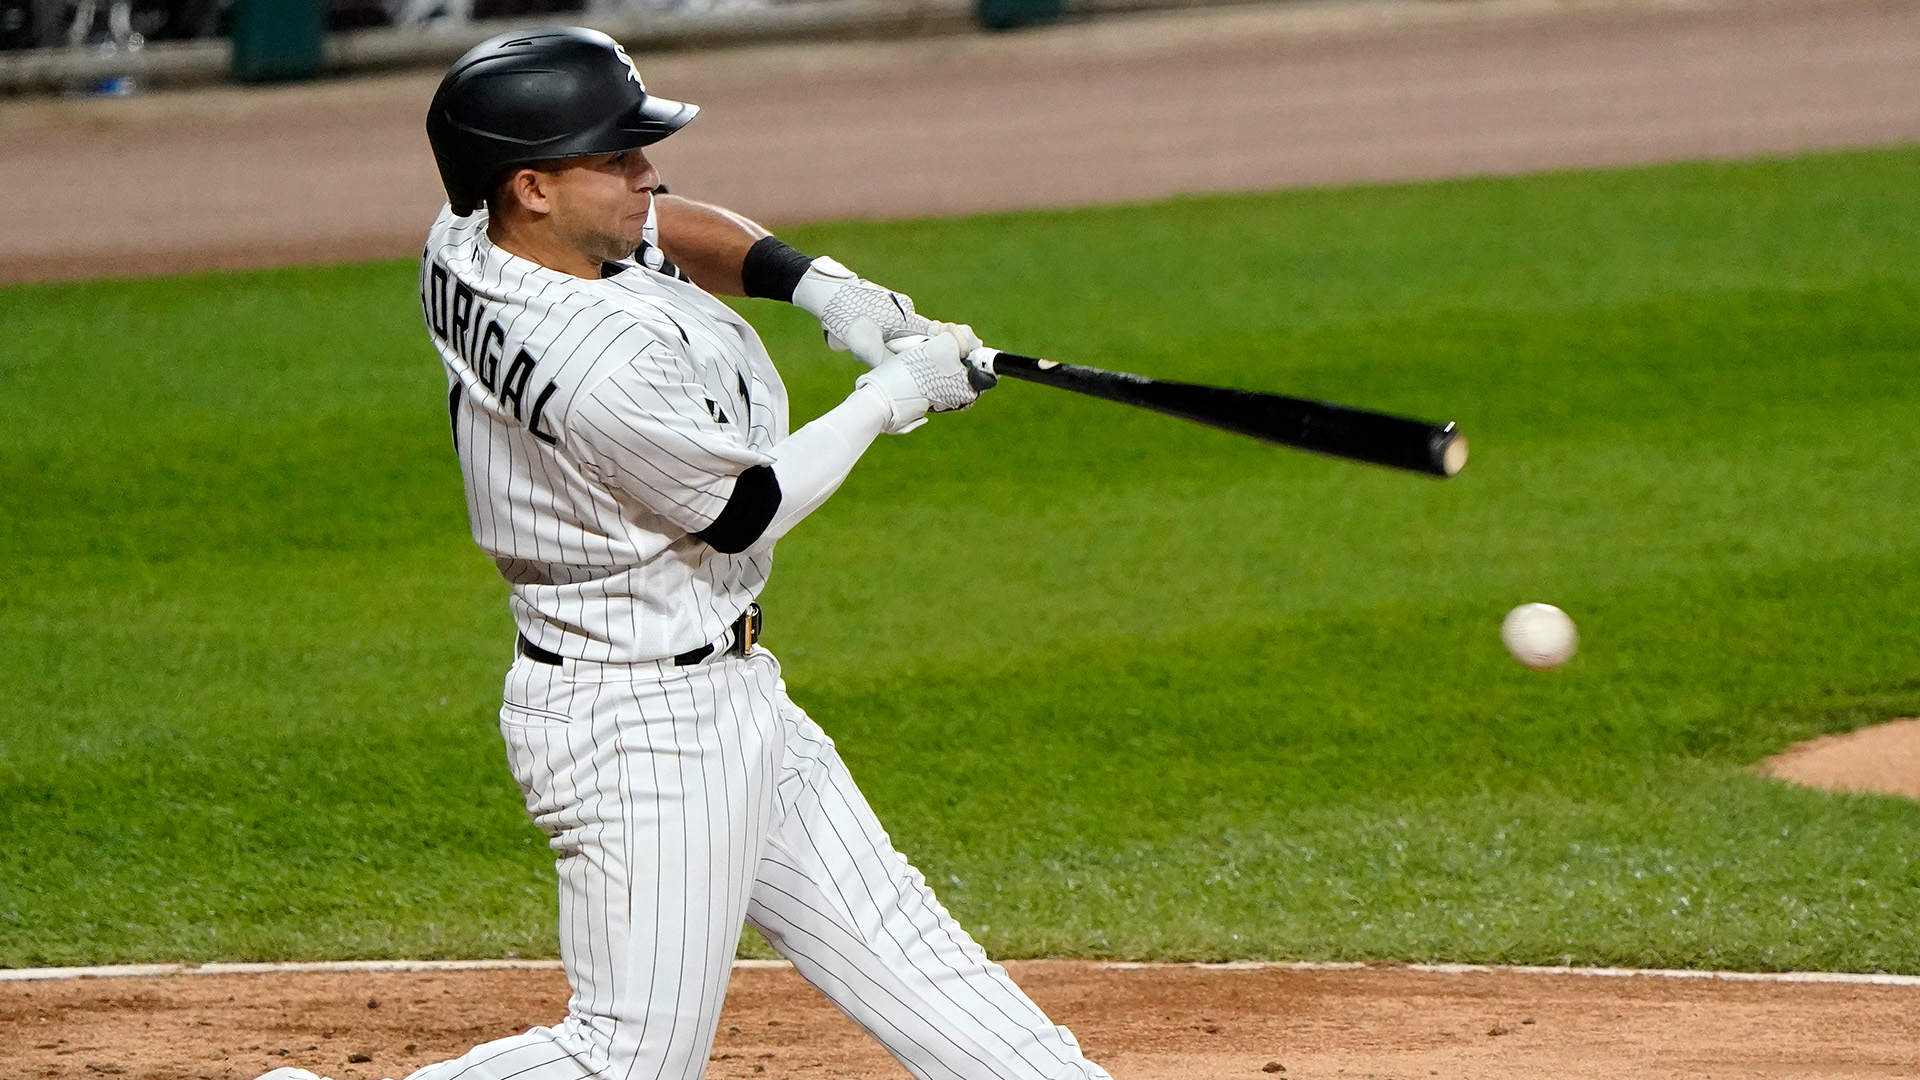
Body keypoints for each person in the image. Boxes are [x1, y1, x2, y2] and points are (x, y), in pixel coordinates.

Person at [260, 25, 1110, 1080]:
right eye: (615, 159)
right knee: (628, 1060)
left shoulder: (471, 238)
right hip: (638, 728)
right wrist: (893, 396)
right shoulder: (592, 364)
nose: (645, 176)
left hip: (726, 690)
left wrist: (825, 292)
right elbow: (746, 510)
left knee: (920, 966)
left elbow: (671, 228)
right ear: (530, 184)